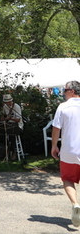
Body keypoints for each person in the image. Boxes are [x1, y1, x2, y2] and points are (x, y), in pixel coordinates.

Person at [51, 81, 80, 227]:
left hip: (69, 150)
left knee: (68, 179)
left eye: (65, 90)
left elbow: (56, 129)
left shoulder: (63, 107)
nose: (63, 92)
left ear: (72, 92)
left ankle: (75, 204)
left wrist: (54, 146)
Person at [1, 94, 23, 160]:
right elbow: (4, 114)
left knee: (12, 135)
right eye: (6, 102)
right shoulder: (5, 106)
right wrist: (3, 117)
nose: (7, 103)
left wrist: (10, 118)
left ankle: (13, 152)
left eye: (8, 101)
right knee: (3, 134)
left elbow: (18, 119)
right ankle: (7, 150)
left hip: (18, 125)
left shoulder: (17, 107)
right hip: (9, 125)